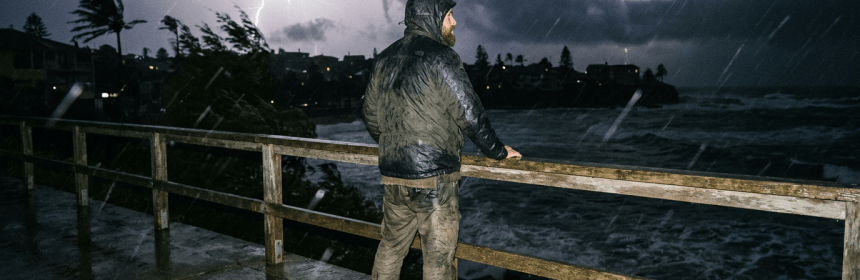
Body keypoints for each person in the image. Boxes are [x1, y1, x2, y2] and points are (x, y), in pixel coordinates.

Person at [362, 0, 522, 279]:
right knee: (438, 260)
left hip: (394, 174)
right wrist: (497, 152)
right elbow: (469, 112)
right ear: (434, 17)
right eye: (449, 15)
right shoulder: (441, 57)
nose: (454, 22)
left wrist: (397, 145)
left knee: (390, 247)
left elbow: (370, 115)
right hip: (434, 177)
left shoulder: (385, 58)